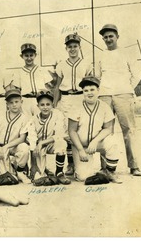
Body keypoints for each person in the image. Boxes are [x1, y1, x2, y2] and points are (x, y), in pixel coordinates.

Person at [96, 24, 141, 176]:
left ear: (117, 37)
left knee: (128, 130)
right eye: (106, 37)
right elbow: (97, 77)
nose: (108, 39)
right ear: (103, 39)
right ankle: (105, 167)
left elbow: (136, 75)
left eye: (111, 36)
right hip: (105, 96)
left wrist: (126, 89)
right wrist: (103, 91)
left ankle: (134, 165)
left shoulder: (127, 53)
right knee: (104, 131)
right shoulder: (101, 55)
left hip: (124, 95)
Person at [68, 76, 122, 183]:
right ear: (83, 92)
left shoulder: (104, 106)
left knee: (113, 141)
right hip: (81, 146)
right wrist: (80, 150)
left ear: (98, 90)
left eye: (92, 89)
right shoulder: (76, 107)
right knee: (83, 177)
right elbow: (72, 131)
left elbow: (108, 128)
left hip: (96, 143)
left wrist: (95, 141)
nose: (89, 93)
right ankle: (76, 166)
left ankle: (110, 171)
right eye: (86, 90)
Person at [54, 33, 93, 176]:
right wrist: (54, 105)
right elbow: (57, 86)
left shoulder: (86, 63)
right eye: (69, 46)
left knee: (81, 130)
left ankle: (82, 163)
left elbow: (90, 84)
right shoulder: (61, 65)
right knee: (67, 133)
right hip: (66, 98)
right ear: (66, 48)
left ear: (79, 47)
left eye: (75, 46)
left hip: (81, 98)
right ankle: (70, 163)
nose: (72, 49)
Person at [29, 89, 71, 185]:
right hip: (38, 148)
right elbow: (32, 138)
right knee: (40, 177)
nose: (45, 107)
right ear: (37, 106)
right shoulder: (33, 119)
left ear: (52, 104)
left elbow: (58, 135)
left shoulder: (58, 114)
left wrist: (41, 143)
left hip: (52, 144)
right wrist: (33, 164)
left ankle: (59, 172)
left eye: (48, 104)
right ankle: (44, 171)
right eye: (42, 104)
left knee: (61, 143)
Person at [0, 88, 31, 184]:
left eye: (16, 102)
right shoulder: (0, 114)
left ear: (21, 102)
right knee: (6, 177)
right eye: (11, 102)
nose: (14, 104)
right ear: (7, 104)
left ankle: (20, 170)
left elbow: (22, 138)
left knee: (24, 147)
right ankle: (12, 166)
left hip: (13, 147)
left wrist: (7, 146)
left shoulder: (24, 118)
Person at [12, 43, 54, 119]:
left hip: (40, 99)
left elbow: (49, 87)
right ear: (22, 56)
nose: (29, 58)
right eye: (26, 56)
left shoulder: (41, 69)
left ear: (35, 55)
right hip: (26, 100)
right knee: (26, 122)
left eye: (31, 55)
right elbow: (17, 90)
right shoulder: (19, 72)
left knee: (40, 121)